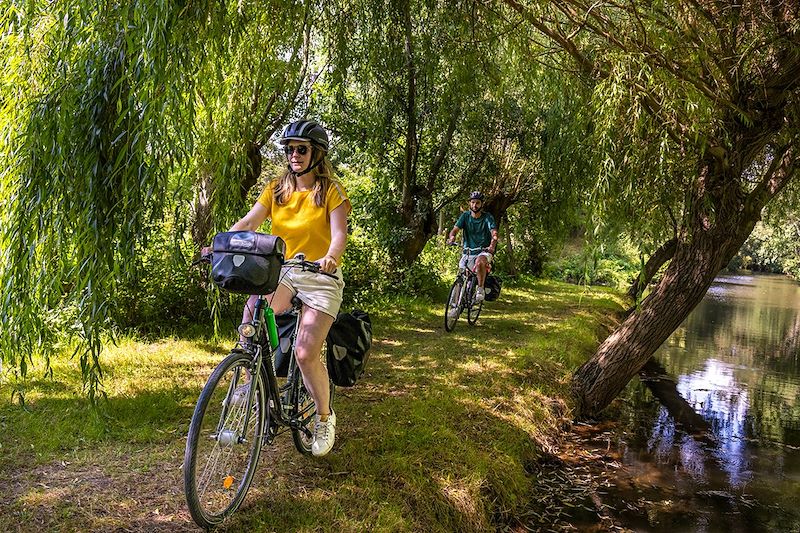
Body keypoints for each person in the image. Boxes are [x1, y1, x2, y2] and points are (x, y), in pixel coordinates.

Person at [226, 120, 350, 457]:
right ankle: (248, 379)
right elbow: (251, 222)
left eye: (302, 149)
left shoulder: (330, 192)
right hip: (285, 271)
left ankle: (325, 417)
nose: (294, 155)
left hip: (320, 275)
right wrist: (224, 243)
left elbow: (339, 233)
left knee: (306, 352)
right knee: (254, 311)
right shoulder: (276, 189)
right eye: (290, 149)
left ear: (317, 154)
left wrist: (331, 258)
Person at [446, 191, 498, 306]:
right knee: (461, 276)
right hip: (468, 252)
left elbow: (494, 232)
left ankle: (480, 289)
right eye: (473, 202)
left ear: (481, 204)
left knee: (480, 263)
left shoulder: (487, 217)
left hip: (483, 251)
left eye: (478, 203)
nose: (475, 205)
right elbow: (454, 230)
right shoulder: (465, 216)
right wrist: (452, 238)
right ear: (469, 203)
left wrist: (492, 245)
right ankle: (455, 306)